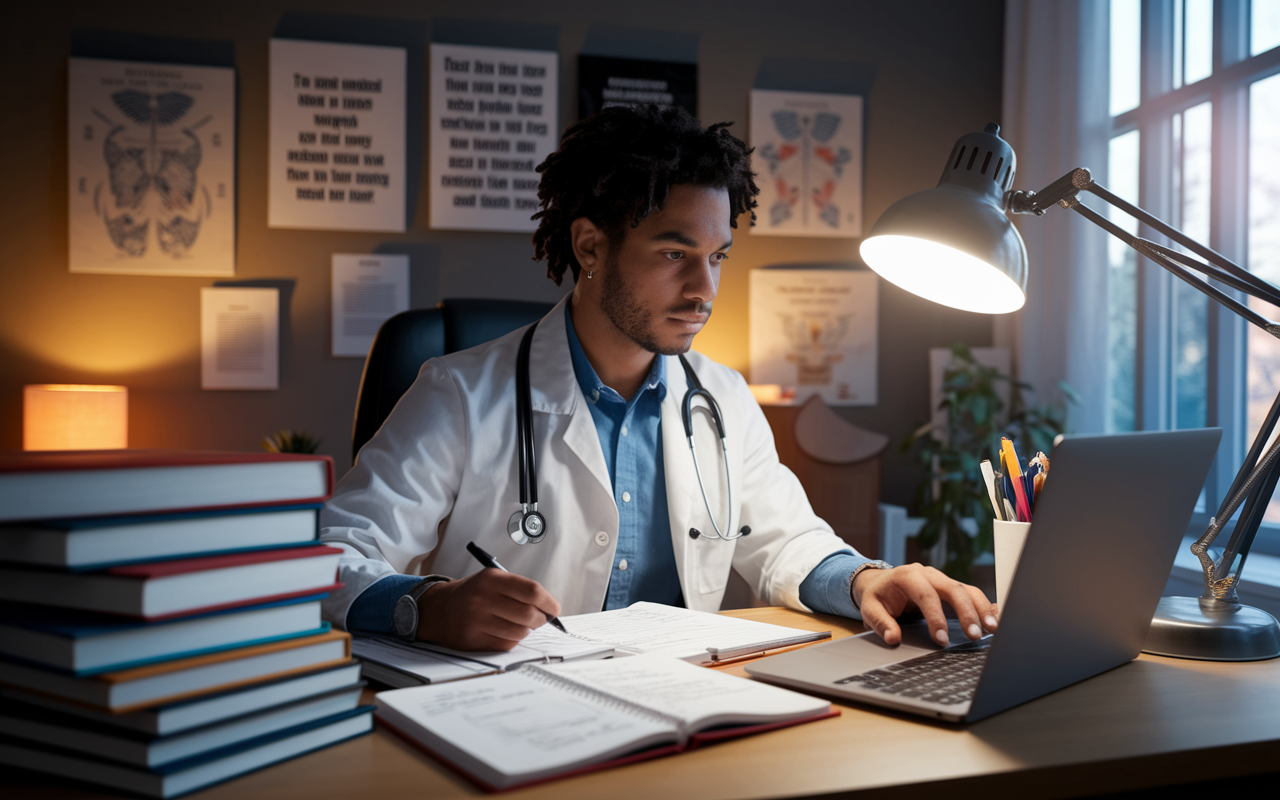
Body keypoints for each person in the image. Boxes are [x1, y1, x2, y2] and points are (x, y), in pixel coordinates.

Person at [319, 105, 998, 652]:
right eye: (675, 253)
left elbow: (787, 542)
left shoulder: (723, 398)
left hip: (679, 705)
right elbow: (334, 554)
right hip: (506, 710)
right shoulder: (458, 394)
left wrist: (867, 579)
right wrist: (428, 607)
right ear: (590, 246)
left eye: (717, 257)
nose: (704, 288)